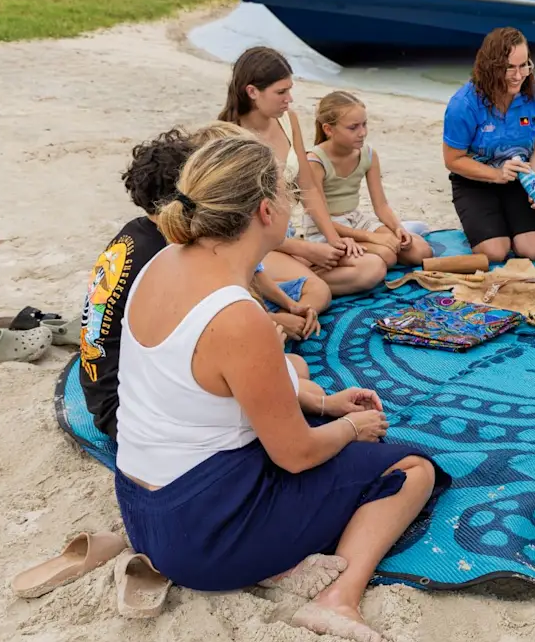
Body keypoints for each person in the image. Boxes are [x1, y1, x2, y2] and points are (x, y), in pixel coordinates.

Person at [113, 135, 443, 642]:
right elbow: (295, 456)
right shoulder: (236, 315)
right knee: (411, 468)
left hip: (142, 508)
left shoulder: (161, 262)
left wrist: (321, 403)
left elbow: (209, 387)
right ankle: (338, 598)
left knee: (300, 387)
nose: (295, 202)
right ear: (266, 210)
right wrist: (351, 426)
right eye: (290, 193)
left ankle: (286, 556)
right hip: (203, 537)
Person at [79, 125, 329, 438]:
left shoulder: (137, 234)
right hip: (131, 411)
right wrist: (269, 334)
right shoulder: (172, 255)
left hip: (104, 388)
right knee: (295, 373)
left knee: (292, 373)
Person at [220, 46, 385, 295]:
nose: (289, 99)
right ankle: (291, 284)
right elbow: (235, 223)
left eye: (290, 90)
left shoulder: (288, 120)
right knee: (320, 292)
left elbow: (307, 187)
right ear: (252, 92)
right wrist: (302, 249)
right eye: (281, 92)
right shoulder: (229, 137)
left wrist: (333, 238)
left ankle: (291, 282)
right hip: (253, 243)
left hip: (286, 234)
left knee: (373, 266)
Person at [441, 27, 535, 264]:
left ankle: (506, 223)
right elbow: (452, 160)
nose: (518, 75)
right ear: (491, 66)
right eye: (509, 67)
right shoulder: (463, 104)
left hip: (520, 178)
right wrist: (495, 174)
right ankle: (489, 227)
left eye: (524, 65)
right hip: (475, 181)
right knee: (494, 252)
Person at [307, 90, 434, 270]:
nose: (362, 133)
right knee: (387, 255)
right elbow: (320, 218)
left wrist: (397, 227)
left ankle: (402, 228)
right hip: (326, 228)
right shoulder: (315, 161)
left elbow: (381, 205)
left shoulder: (368, 154)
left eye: (364, 124)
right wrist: (372, 237)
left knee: (421, 252)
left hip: (355, 220)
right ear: (328, 129)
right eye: (353, 127)